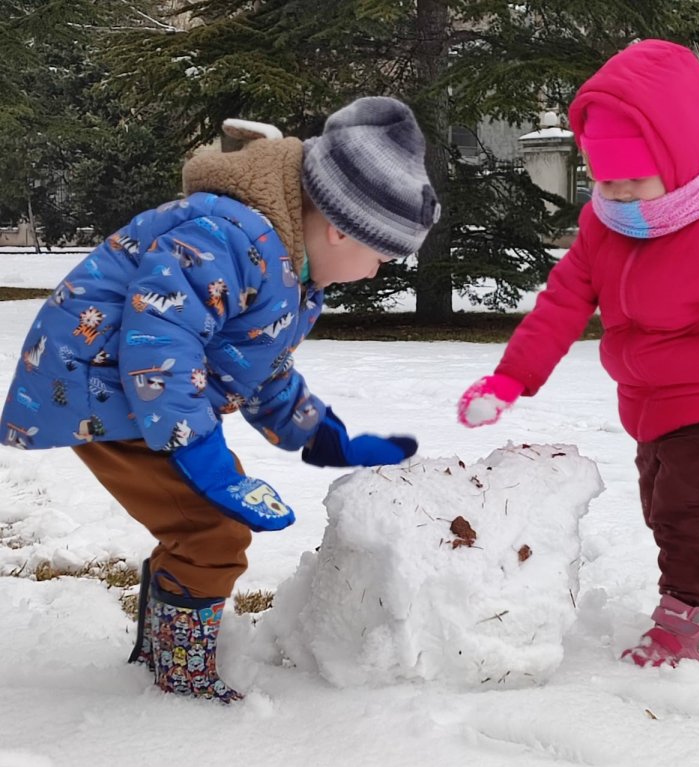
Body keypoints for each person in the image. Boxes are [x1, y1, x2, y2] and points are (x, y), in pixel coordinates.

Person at [2, 96, 441, 701]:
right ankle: (181, 686)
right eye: (381, 256)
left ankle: (161, 653)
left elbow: (254, 366)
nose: (373, 274)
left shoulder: (286, 265)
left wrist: (319, 433)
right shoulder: (229, 238)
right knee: (213, 532)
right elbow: (161, 339)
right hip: (100, 389)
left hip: (139, 396)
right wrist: (198, 447)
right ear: (342, 227)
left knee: (201, 526)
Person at [456, 40, 699, 668]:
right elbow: (560, 305)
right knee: (665, 509)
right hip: (649, 396)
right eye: (608, 179)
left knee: (680, 507)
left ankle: (686, 615)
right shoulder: (603, 227)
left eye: (637, 177)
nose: (623, 194)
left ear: (683, 162)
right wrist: (510, 381)